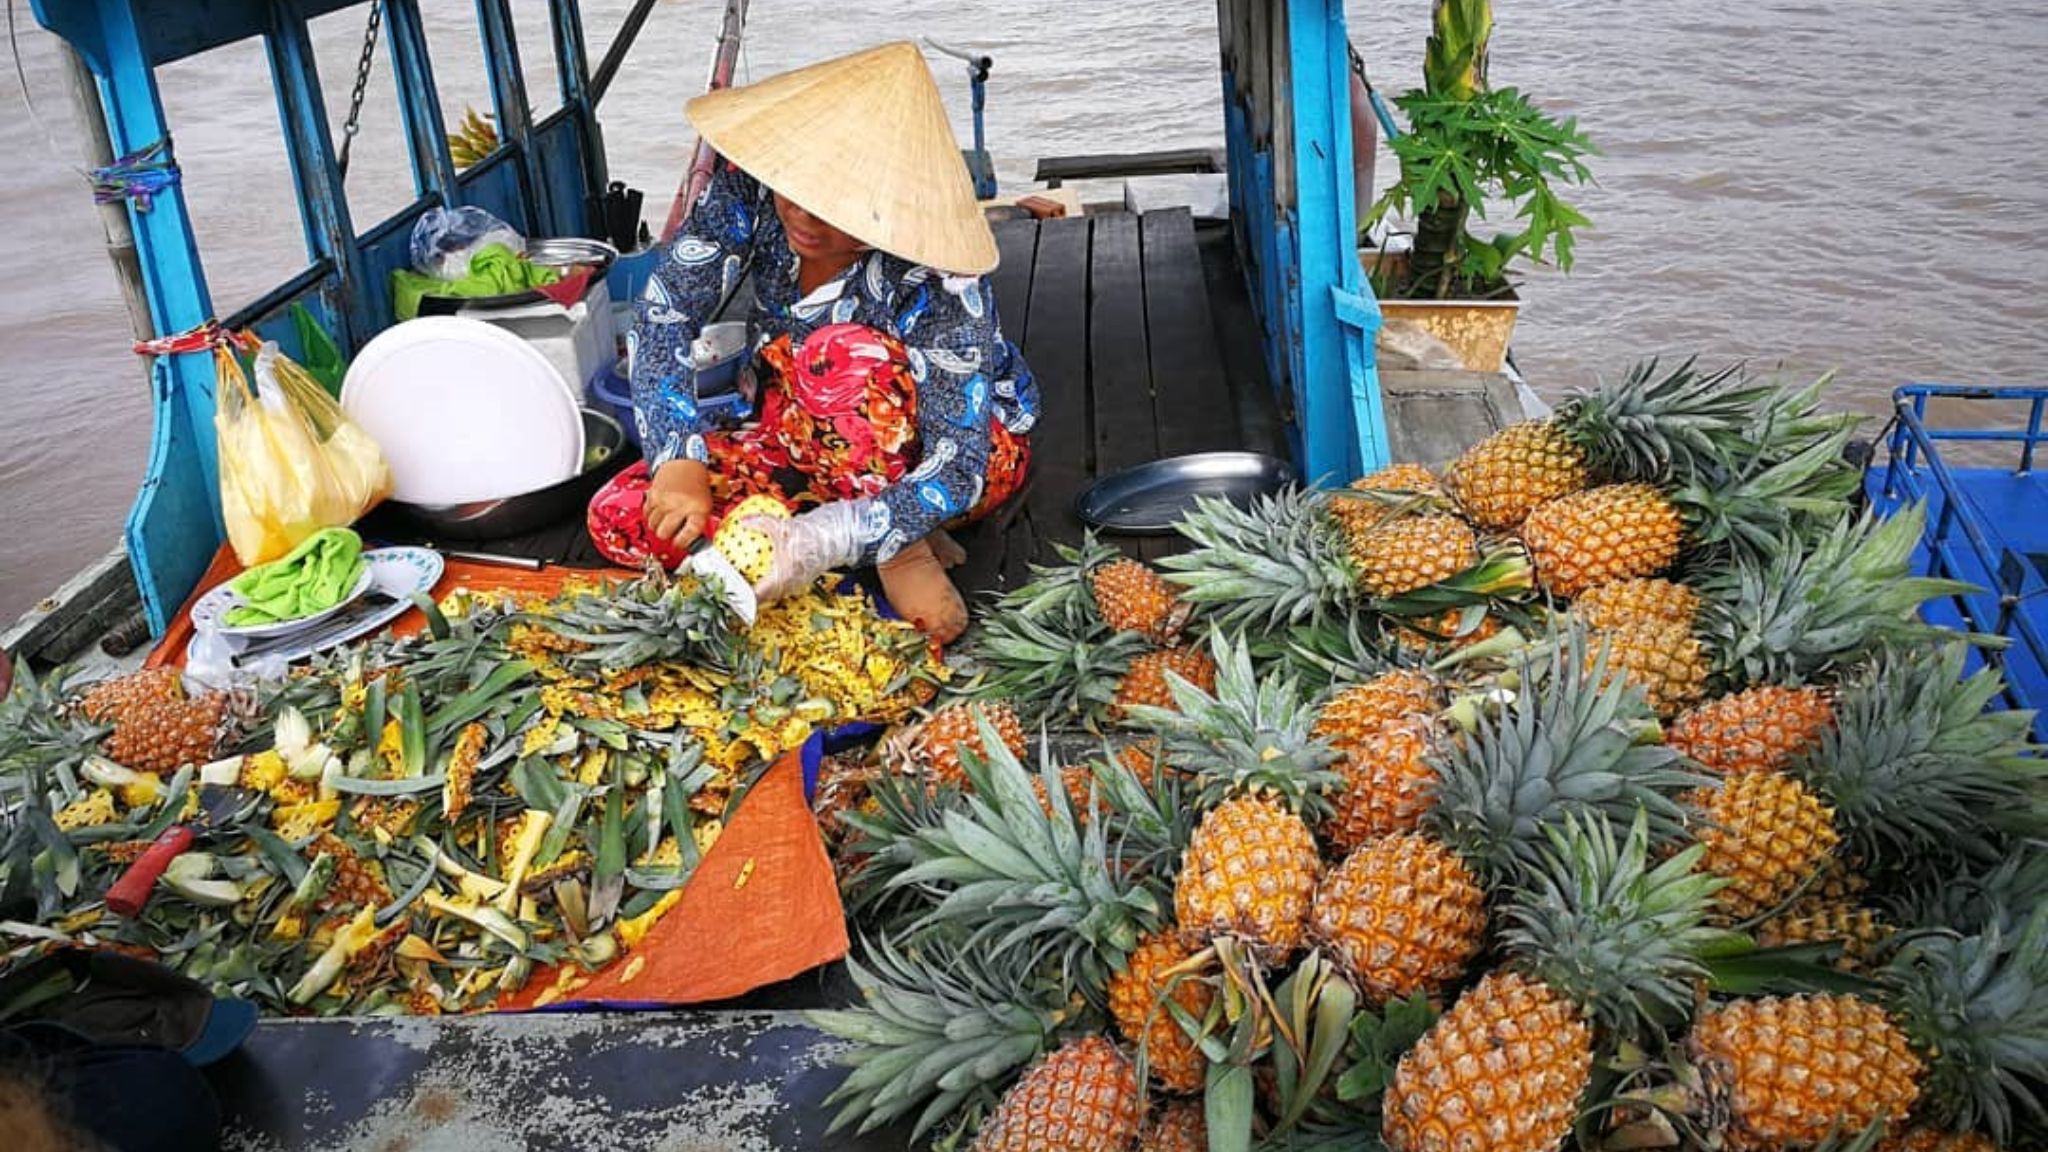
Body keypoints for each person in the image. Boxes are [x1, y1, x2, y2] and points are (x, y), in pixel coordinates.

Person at [587, 41, 1038, 644]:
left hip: (962, 455)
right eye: (796, 187)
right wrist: (677, 458)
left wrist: (820, 539)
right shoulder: (750, 191)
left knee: (840, 356)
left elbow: (960, 468)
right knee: (624, 512)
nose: (802, 214)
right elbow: (664, 316)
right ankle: (840, 534)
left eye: (836, 207)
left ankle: (895, 546)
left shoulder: (940, 276)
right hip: (807, 440)